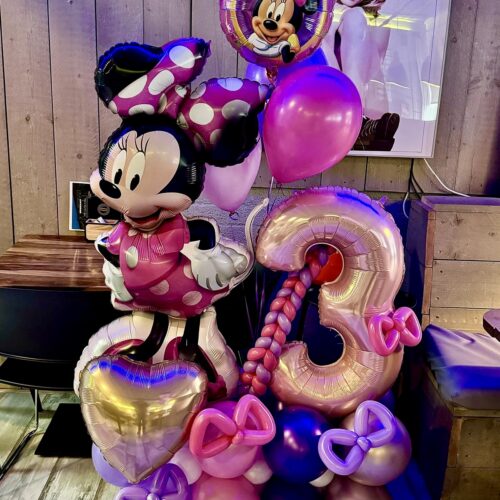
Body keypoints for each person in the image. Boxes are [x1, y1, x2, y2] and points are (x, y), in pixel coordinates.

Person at [326, 0, 400, 151]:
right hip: (369, 113)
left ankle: (358, 123)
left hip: (355, 114)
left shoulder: (356, 17)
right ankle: (360, 124)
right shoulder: (374, 21)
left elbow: (362, 72)